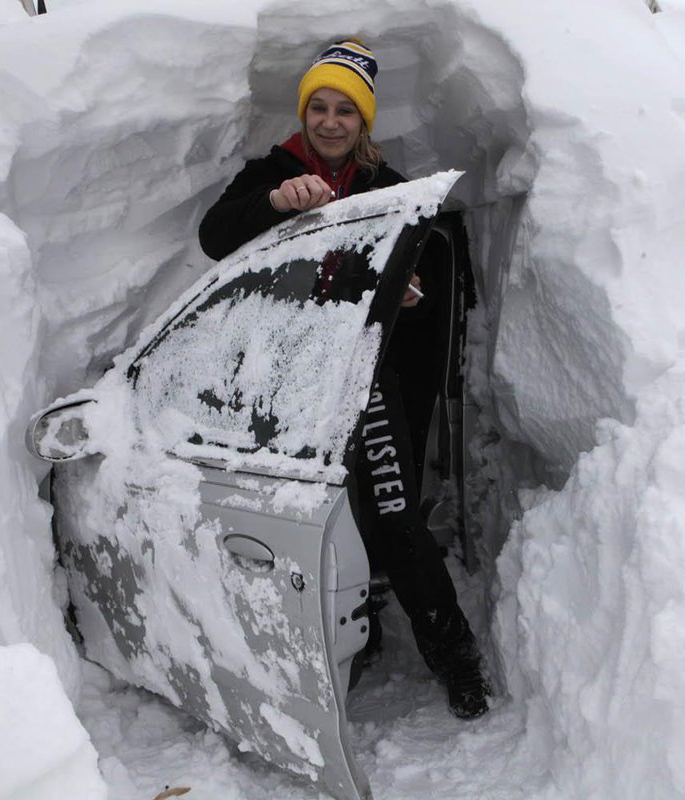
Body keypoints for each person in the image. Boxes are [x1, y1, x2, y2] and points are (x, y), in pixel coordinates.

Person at [198, 39, 490, 720]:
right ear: (305, 113)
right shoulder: (270, 173)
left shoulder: (386, 190)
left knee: (393, 515)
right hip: (282, 382)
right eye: (320, 108)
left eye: (346, 113)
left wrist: (405, 294)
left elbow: (397, 281)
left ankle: (457, 658)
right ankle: (314, 652)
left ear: (364, 124)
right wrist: (274, 200)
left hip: (361, 376)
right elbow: (216, 238)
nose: (331, 122)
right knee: (299, 520)